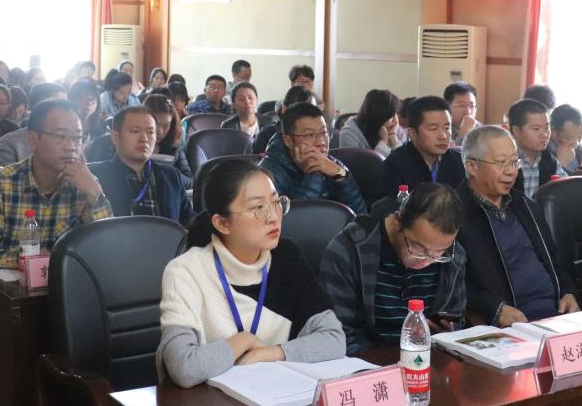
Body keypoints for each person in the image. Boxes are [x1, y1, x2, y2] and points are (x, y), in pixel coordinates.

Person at [157, 159, 344, 387]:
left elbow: (334, 338)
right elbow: (184, 368)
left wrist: (270, 353)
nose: (274, 216)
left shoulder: (286, 257)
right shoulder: (186, 272)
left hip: (273, 392)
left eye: (276, 202)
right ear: (222, 223)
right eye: (258, 208)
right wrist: (243, 341)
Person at [0, 99, 113, 273]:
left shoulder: (85, 184)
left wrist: (95, 193)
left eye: (78, 138)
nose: (71, 147)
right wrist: (24, 258)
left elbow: (108, 248)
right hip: (9, 287)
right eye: (61, 136)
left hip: (64, 285)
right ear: (33, 139)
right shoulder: (2, 183)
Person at [320, 183, 467, 354]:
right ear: (398, 220)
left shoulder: (453, 258)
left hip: (428, 358)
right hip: (367, 360)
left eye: (439, 253)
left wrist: (448, 334)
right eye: (418, 248)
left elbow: (457, 321)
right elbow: (337, 335)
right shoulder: (349, 251)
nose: (426, 261)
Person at [457, 126, 579, 325]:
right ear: (471, 166)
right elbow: (450, 283)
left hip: (557, 313)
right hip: (510, 321)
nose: (510, 171)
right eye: (501, 163)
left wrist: (567, 291)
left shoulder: (526, 205)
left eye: (514, 162)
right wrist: (494, 308)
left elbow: (554, 260)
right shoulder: (455, 214)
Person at [260, 102, 367, 214]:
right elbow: (294, 221)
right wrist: (315, 173)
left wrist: (340, 175)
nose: (321, 142)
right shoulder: (268, 174)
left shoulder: (332, 164)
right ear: (288, 141)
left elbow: (360, 217)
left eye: (324, 132)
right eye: (309, 135)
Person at [90, 106, 193, 222]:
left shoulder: (171, 176)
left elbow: (190, 223)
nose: (144, 139)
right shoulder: (95, 177)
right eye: (135, 131)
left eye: (150, 132)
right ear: (116, 137)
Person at [381, 96, 466, 196]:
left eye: (447, 128)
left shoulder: (460, 162)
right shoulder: (395, 165)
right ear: (412, 134)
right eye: (433, 128)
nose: (443, 136)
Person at [0, 83, 68, 168]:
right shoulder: (10, 143)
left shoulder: (72, 141)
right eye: (60, 106)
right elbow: (5, 175)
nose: (67, 111)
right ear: (38, 108)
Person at [506, 99, 561, 197]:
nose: (545, 134)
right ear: (516, 131)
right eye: (536, 129)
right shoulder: (504, 161)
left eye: (547, 127)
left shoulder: (550, 160)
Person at [339, 89, 407, 157]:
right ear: (379, 116)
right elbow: (366, 164)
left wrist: (393, 138)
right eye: (391, 116)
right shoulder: (349, 134)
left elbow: (405, 162)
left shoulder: (395, 130)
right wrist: (383, 142)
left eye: (396, 114)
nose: (395, 120)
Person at [253, 86, 316, 155]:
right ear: (284, 110)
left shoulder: (319, 135)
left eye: (314, 110)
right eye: (302, 111)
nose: (309, 116)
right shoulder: (266, 135)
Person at [142, 94, 191, 181]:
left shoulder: (174, 147)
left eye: (166, 125)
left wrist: (171, 174)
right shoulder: (131, 145)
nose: (160, 131)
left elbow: (189, 180)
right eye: (155, 124)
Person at [548, 104, 582, 178]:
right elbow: (543, 184)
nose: (576, 143)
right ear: (552, 132)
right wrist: (560, 165)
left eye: (580, 137)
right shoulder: (542, 154)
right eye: (569, 138)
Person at [444, 82, 482, 148]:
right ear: (447, 107)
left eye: (472, 106)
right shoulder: (441, 130)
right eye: (462, 105)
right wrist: (464, 134)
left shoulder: (481, 129)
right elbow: (450, 154)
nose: (468, 111)